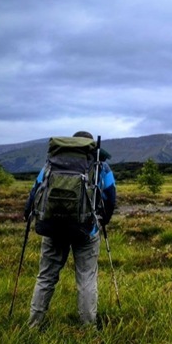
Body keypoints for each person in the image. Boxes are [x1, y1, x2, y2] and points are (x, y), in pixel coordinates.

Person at [24, 131, 116, 327]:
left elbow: (36, 190)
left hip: (53, 227)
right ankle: (88, 328)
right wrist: (102, 221)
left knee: (46, 277)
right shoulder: (100, 165)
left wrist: (28, 215)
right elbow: (110, 196)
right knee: (87, 279)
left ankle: (33, 325)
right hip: (87, 230)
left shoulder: (53, 162)